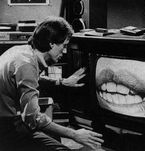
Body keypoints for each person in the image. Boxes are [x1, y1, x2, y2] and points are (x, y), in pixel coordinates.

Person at [0, 16, 104, 151]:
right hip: (5, 127)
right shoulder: (26, 65)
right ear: (51, 44)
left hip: (9, 120)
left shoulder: (21, 52)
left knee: (54, 136)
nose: (65, 51)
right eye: (64, 46)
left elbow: (26, 80)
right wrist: (74, 134)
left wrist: (61, 82)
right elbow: (33, 118)